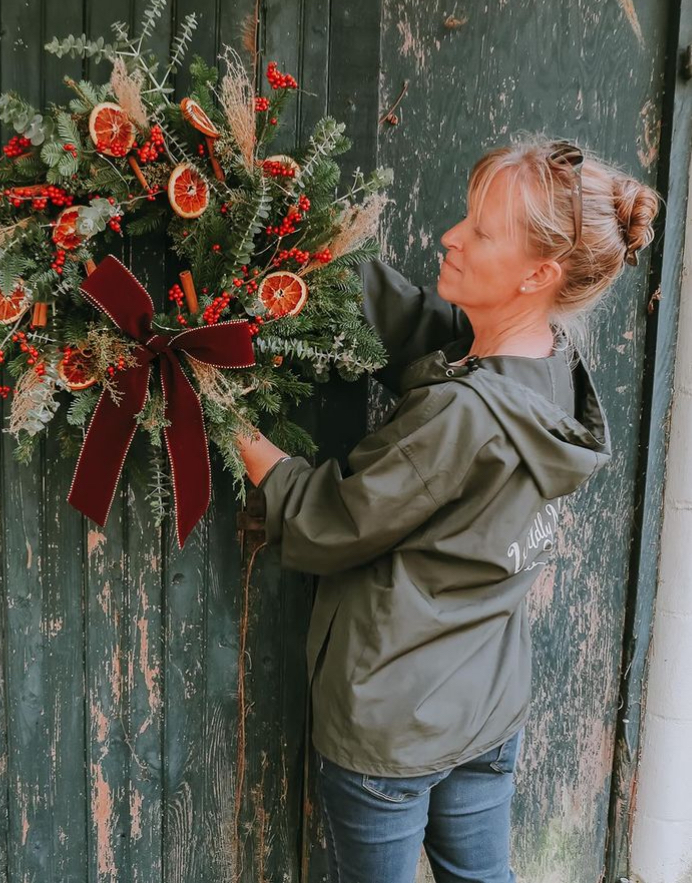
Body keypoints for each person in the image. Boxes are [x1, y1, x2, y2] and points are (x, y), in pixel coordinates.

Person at [234, 135, 661, 883]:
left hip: (393, 725)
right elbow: (429, 333)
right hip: (487, 709)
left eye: (480, 231)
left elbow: (328, 520)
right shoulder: (550, 368)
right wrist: (309, 247)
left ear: (539, 272)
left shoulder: (461, 418)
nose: (450, 237)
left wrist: (226, 422)